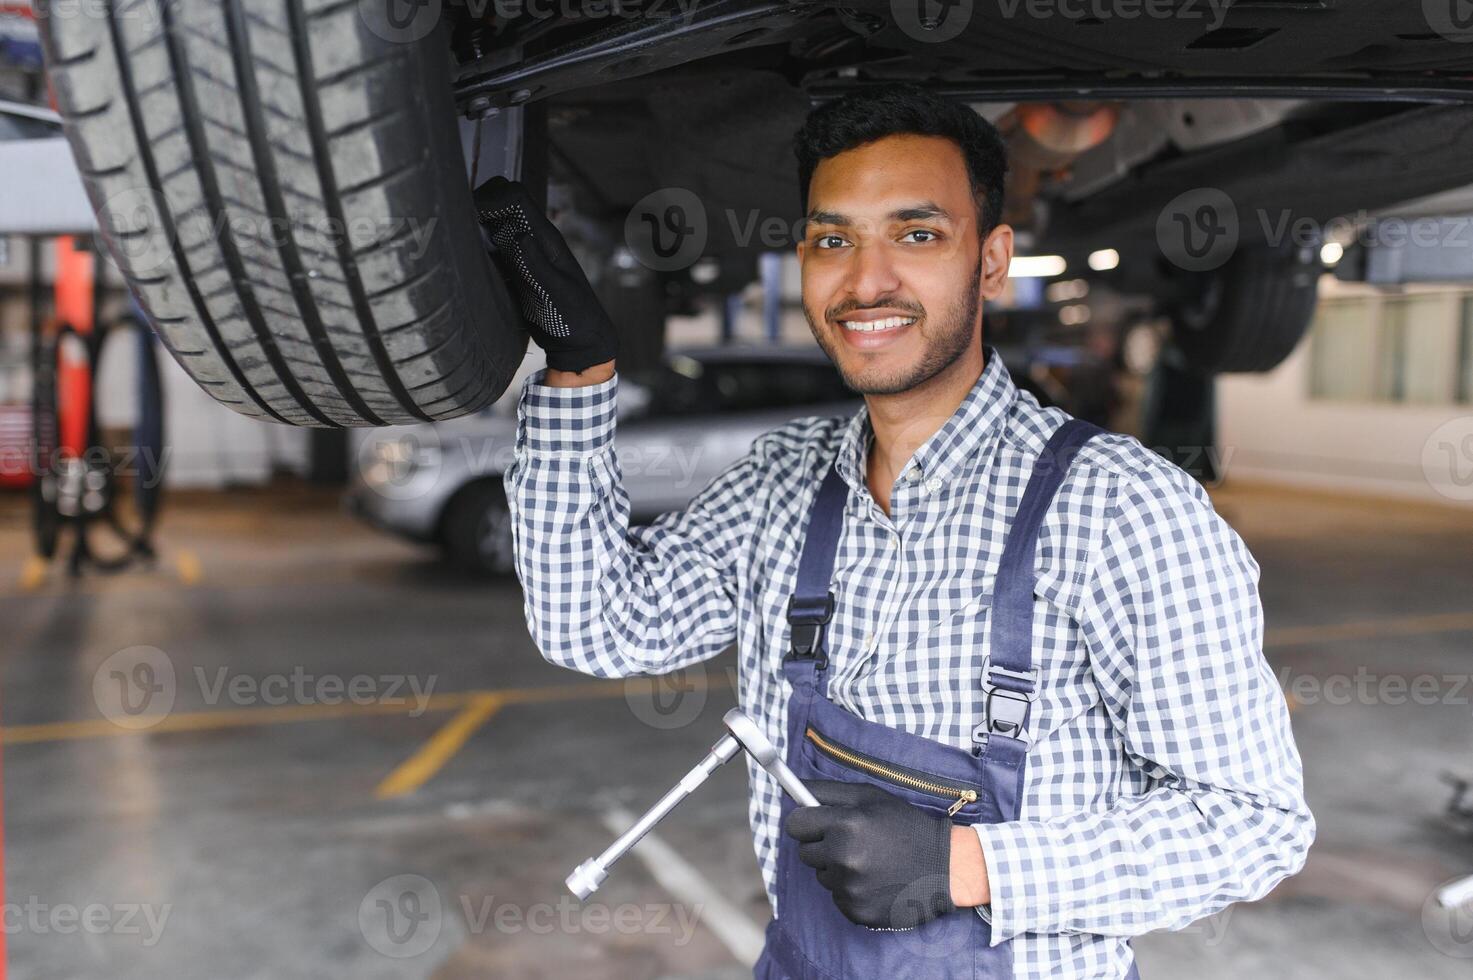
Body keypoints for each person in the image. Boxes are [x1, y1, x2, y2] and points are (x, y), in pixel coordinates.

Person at [476, 83, 1314, 980]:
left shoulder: (1123, 511)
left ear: (990, 263)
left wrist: (971, 866)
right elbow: (595, 625)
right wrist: (576, 372)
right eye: (832, 239)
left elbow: (1250, 824)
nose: (865, 281)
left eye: (917, 235)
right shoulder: (781, 483)